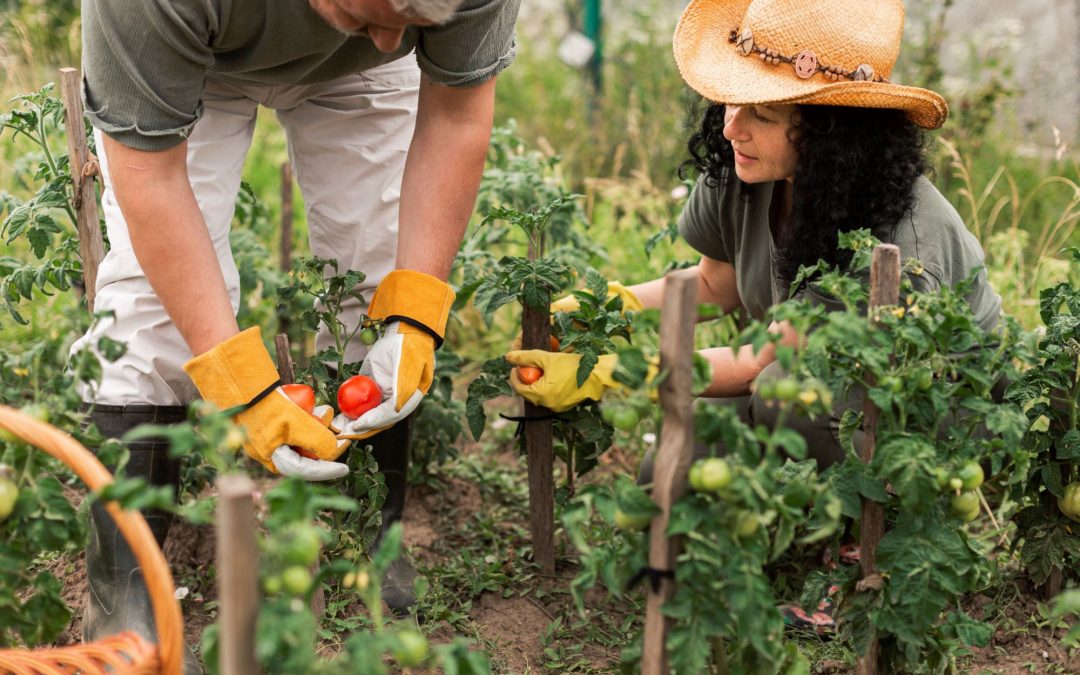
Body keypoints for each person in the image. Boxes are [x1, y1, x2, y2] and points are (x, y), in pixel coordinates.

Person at [70, 0, 520, 670]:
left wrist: (416, 313)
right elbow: (151, 177)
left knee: (378, 269)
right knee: (149, 306)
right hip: (192, 57)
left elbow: (456, 115)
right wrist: (242, 387)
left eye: (412, 19)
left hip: (352, 77)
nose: (390, 39)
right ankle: (123, 596)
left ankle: (369, 535)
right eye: (374, 12)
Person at [506, 0, 1001, 474]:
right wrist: (609, 306)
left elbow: (761, 362)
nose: (731, 129)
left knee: (783, 396)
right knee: (672, 471)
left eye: (762, 115)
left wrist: (610, 372)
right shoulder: (751, 166)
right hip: (805, 383)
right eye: (732, 100)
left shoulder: (895, 240)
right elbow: (714, 286)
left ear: (832, 135)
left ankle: (860, 515)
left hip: (929, 414)